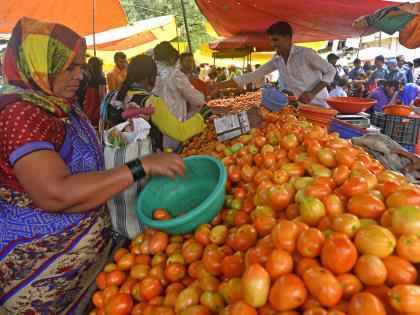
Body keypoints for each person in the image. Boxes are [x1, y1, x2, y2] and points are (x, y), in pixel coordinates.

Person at [0, 17, 186, 314]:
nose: (80, 75)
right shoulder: (20, 114)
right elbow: (55, 194)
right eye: (69, 66)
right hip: (43, 273)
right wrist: (141, 166)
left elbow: (81, 159)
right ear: (39, 64)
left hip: (90, 267)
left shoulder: (60, 105)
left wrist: (122, 135)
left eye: (81, 65)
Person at [209, 21, 336, 107]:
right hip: (303, 108)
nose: (272, 44)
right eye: (271, 40)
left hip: (321, 106)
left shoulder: (305, 53)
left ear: (287, 38)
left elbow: (331, 71)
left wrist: (312, 92)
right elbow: (250, 76)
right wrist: (218, 86)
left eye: (275, 40)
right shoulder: (276, 60)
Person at [108, 55, 211, 151]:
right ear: (152, 77)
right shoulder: (152, 102)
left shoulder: (115, 97)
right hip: (146, 163)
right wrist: (206, 112)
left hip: (122, 160)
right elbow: (180, 132)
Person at [152, 41, 205, 151]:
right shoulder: (174, 74)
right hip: (173, 126)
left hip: (152, 126)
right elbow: (197, 99)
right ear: (171, 58)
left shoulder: (148, 72)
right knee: (173, 156)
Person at [84, 57, 106, 127]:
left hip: (88, 111)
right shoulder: (101, 79)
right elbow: (102, 96)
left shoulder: (87, 78)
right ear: (99, 67)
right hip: (98, 112)